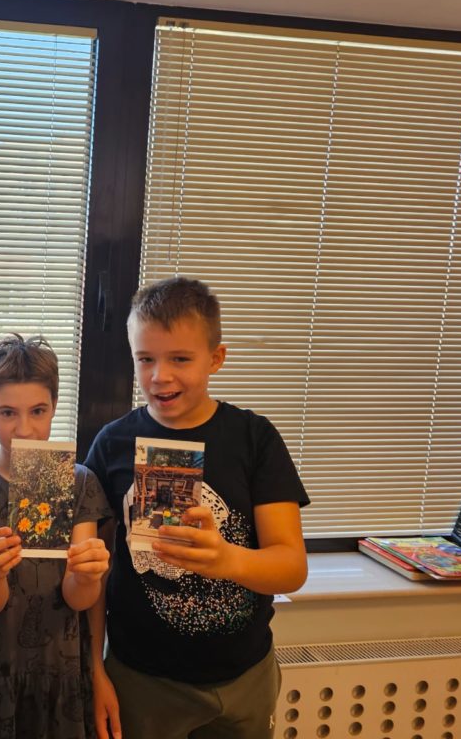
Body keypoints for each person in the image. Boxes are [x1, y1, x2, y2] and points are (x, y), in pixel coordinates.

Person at [85, 277, 309, 739]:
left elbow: (291, 567)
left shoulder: (254, 439)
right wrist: (93, 667)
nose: (159, 376)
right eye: (145, 359)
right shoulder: (111, 444)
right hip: (140, 679)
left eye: (180, 359)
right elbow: (94, 571)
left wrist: (226, 559)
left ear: (216, 358)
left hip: (244, 677)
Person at [0, 334, 111, 739]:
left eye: (38, 411)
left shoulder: (80, 482)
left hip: (61, 659)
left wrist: (87, 574)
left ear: (54, 407)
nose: (25, 429)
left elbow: (78, 598)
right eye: (8, 413)